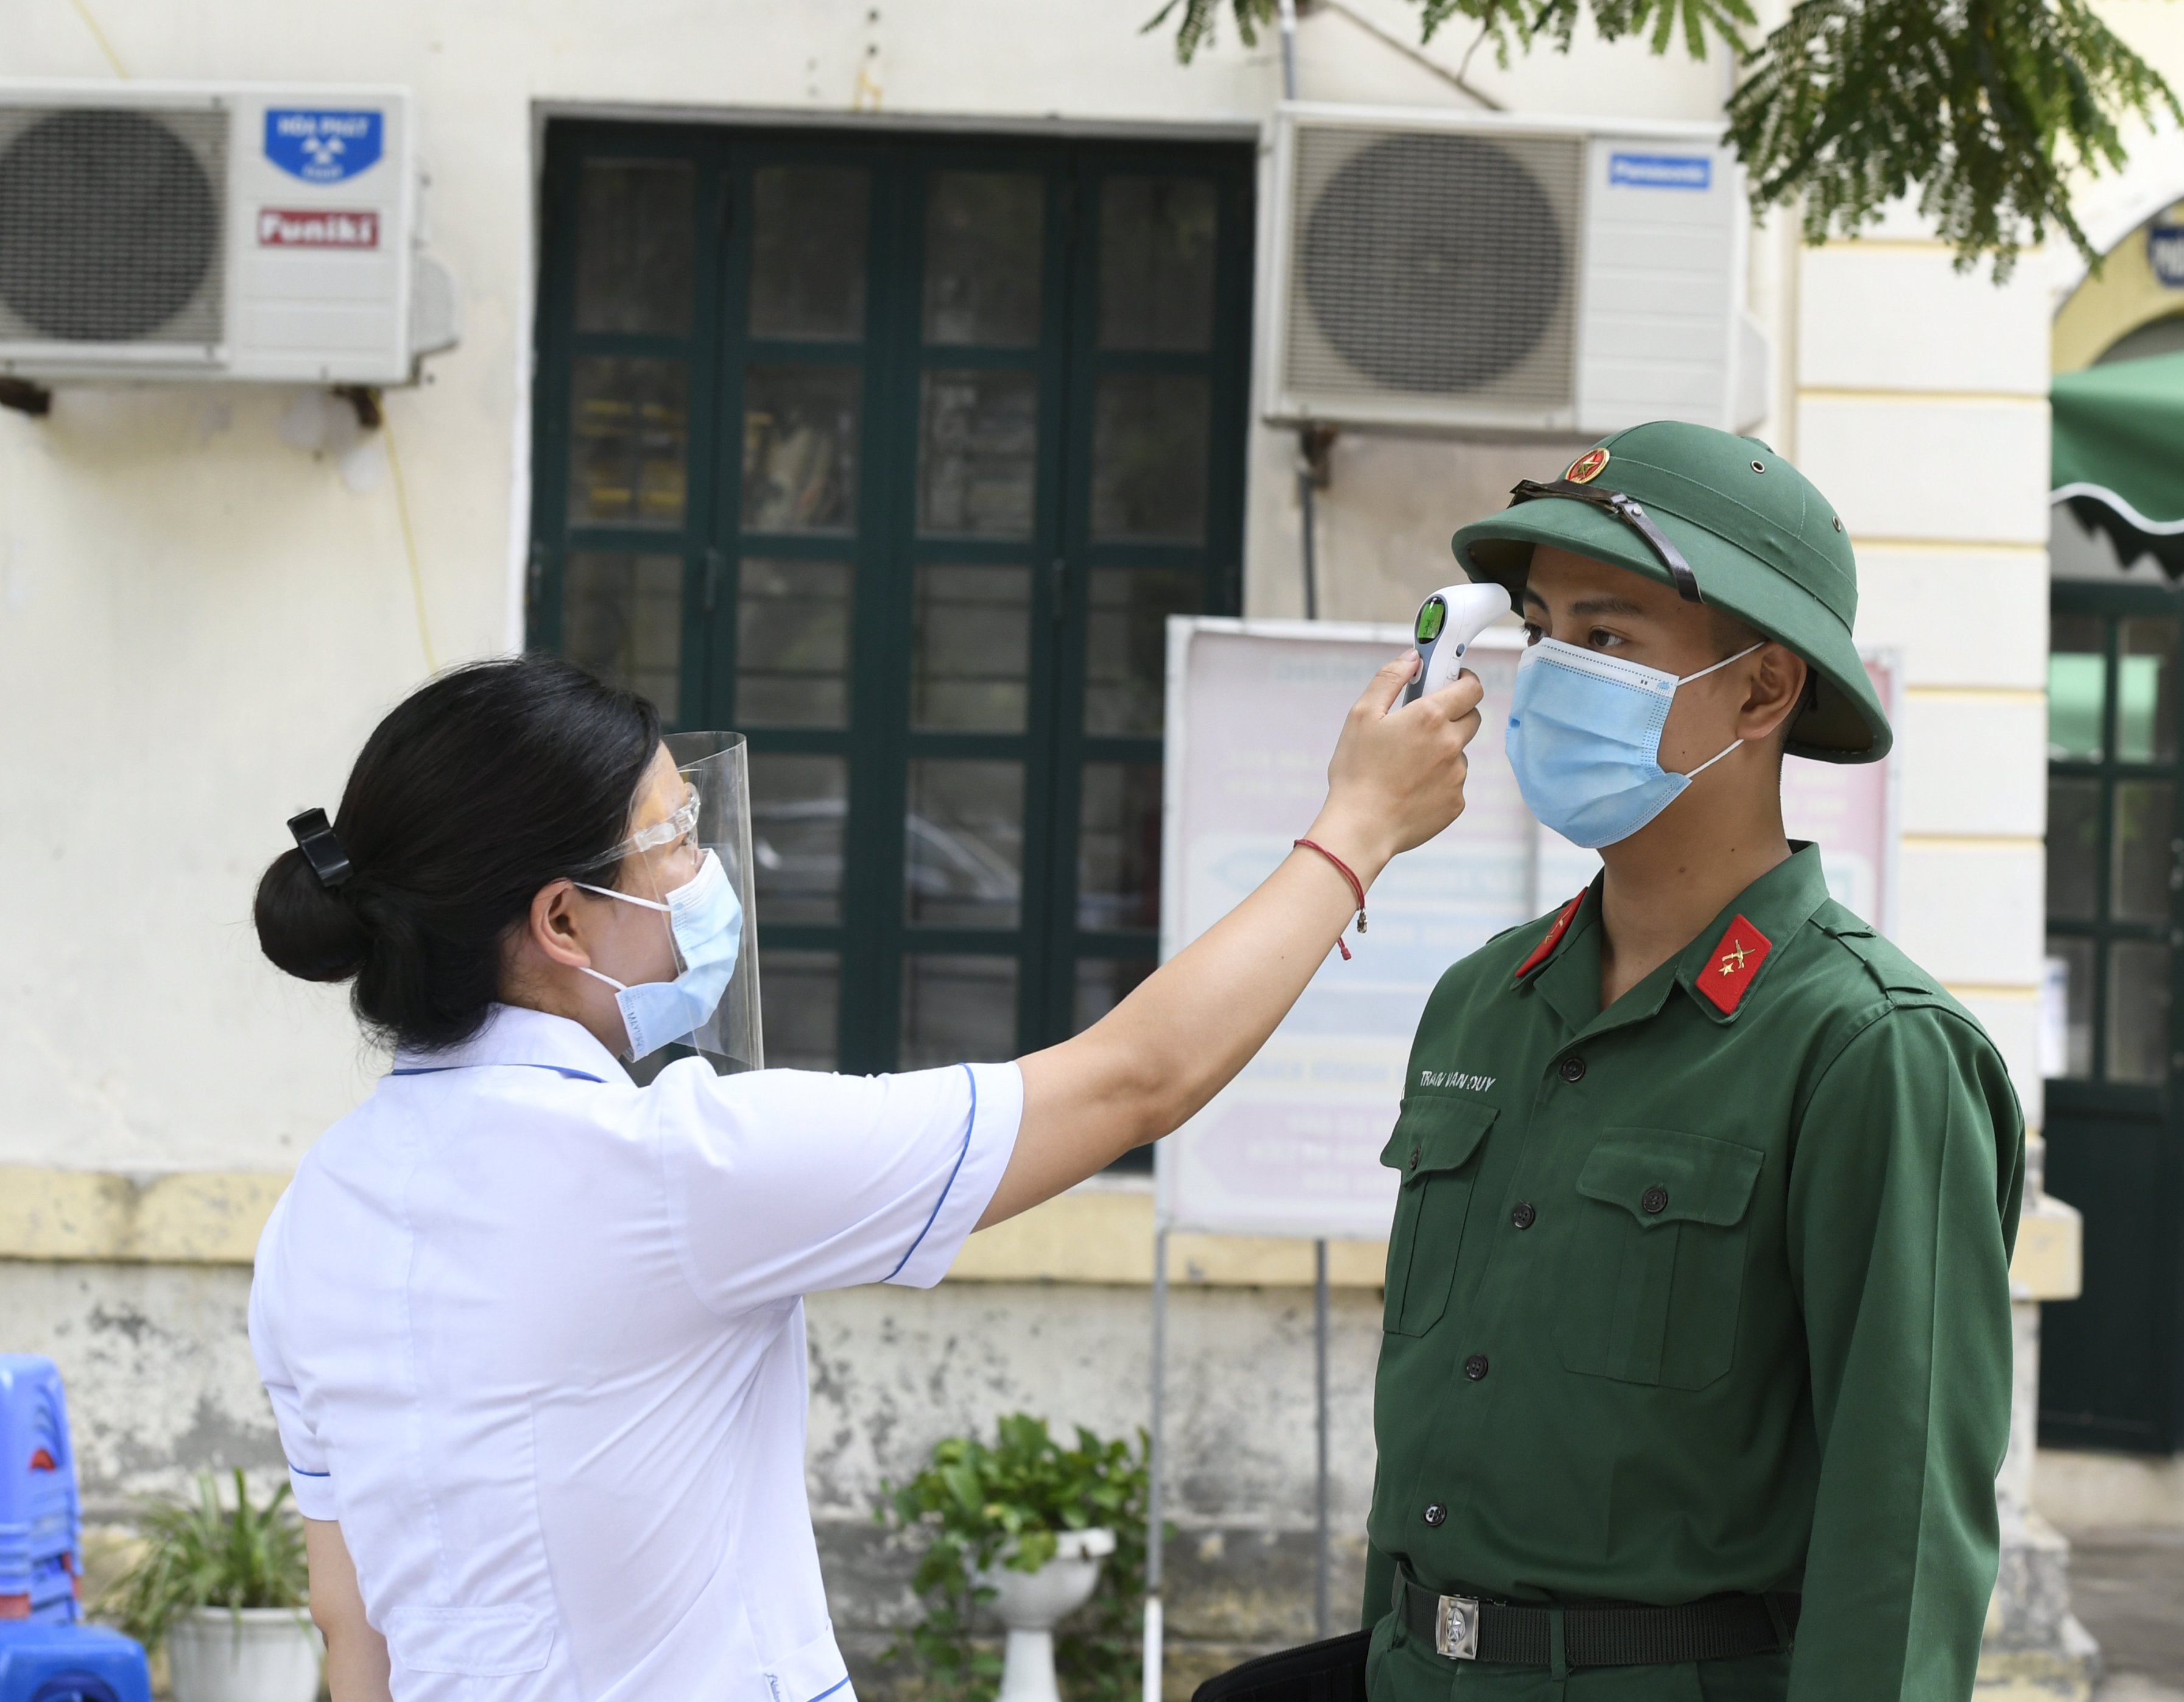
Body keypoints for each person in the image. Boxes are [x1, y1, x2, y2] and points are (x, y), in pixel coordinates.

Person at [245, 650, 1480, 1702]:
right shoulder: (670, 1169)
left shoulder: (315, 1216)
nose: (709, 873)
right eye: (674, 840)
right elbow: (1133, 1079)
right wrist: (1358, 824)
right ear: (563, 921)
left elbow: (353, 1625)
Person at [1359, 422, 2025, 1702]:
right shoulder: (1478, 1006)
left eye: (1607, 640)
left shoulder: (1869, 1049)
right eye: (1544, 631)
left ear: (1761, 692)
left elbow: (1901, 1535)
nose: (1554, 674)